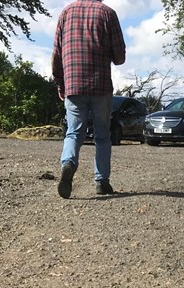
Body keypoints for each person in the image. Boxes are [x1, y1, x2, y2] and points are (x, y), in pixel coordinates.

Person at [52, 0, 126, 199]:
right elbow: (120, 57)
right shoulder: (108, 13)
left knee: (73, 132)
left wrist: (61, 83)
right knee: (102, 135)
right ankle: (101, 182)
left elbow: (57, 54)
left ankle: (68, 163)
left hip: (73, 85)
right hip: (100, 84)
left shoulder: (65, 13)